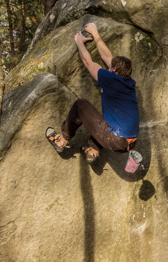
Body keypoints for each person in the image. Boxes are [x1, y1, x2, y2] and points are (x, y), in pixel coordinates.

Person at [46, 22, 138, 162]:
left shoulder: (110, 79)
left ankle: (62, 142)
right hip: (130, 143)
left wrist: (79, 41)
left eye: (111, 67)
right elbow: (108, 58)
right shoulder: (128, 82)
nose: (109, 67)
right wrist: (95, 34)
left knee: (80, 105)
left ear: (115, 70)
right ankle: (93, 151)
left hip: (115, 139)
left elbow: (88, 62)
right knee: (105, 118)